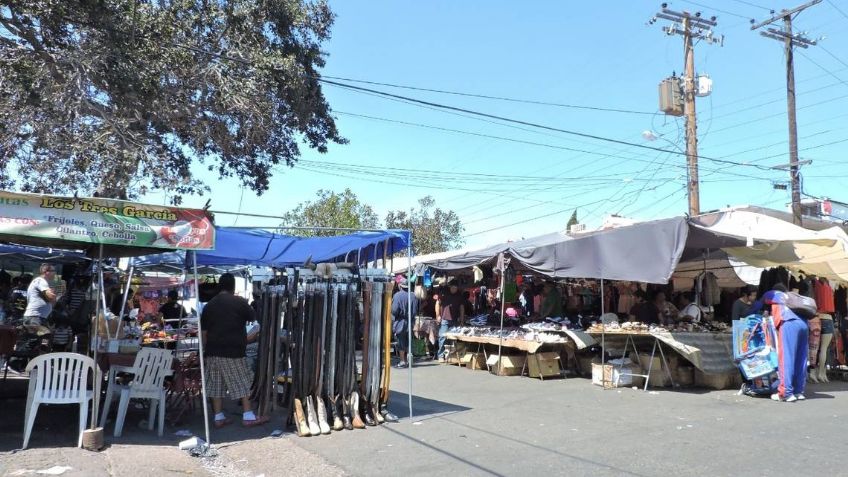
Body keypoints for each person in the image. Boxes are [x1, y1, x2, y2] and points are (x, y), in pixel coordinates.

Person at [201, 273, 269, 428]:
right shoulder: (239, 302)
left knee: (215, 384)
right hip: (233, 350)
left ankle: (218, 417)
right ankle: (248, 415)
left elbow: (204, 333)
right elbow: (252, 318)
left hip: (212, 350)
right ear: (233, 286)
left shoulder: (209, 305)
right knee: (242, 382)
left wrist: (206, 351)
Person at [764, 283, 809, 402]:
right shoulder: (793, 297)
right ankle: (798, 391)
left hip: (789, 323)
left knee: (786, 358)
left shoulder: (775, 294)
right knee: (801, 359)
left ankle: (785, 393)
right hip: (804, 325)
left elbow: (761, 301)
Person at [391, 278, 418, 368]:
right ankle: (409, 359)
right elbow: (415, 311)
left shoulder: (397, 295)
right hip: (411, 321)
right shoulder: (413, 296)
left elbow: (394, 310)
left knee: (401, 341)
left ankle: (403, 361)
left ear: (400, 286)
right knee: (409, 340)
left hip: (400, 321)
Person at [436, 279, 465, 362]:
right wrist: (438, 315)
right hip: (444, 319)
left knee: (453, 338)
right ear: (450, 287)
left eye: (455, 288)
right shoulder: (444, 293)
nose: (454, 289)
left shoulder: (459, 295)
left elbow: (461, 308)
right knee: (442, 337)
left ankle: (451, 356)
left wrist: (462, 320)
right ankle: (440, 355)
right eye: (453, 288)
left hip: (454, 319)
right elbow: (438, 303)